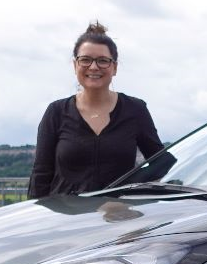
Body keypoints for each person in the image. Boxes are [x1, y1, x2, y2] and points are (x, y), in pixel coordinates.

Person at [28, 22, 164, 198]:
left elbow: (161, 164)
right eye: (85, 60)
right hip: (65, 220)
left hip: (118, 220)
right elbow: (41, 174)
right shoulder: (56, 112)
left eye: (102, 61)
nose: (93, 67)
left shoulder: (135, 110)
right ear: (75, 65)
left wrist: (134, 192)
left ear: (114, 67)